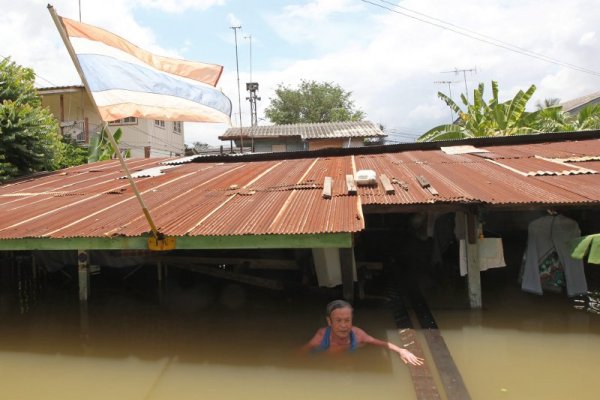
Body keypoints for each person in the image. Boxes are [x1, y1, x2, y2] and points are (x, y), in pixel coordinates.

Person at [301, 299, 424, 366]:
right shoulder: (322, 336)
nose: (343, 325)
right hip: (327, 363)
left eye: (347, 320)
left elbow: (381, 343)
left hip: (348, 364)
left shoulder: (358, 335)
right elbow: (302, 353)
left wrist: (402, 350)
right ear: (329, 321)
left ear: (352, 320)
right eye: (338, 321)